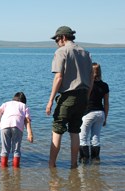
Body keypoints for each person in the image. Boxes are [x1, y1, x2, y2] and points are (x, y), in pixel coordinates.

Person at [46, 26, 93, 168]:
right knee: (75, 131)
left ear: (63, 38)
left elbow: (58, 77)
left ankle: (51, 164)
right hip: (83, 96)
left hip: (68, 96)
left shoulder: (62, 51)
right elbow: (91, 77)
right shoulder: (85, 53)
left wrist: (50, 102)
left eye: (57, 39)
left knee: (57, 129)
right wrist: (87, 96)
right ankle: (73, 164)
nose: (56, 42)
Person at [79, 63, 109, 163]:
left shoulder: (87, 84)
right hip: (100, 113)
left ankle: (84, 159)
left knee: (83, 138)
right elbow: (106, 104)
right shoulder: (104, 85)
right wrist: (106, 118)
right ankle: (95, 159)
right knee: (96, 137)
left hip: (88, 113)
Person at [0, 92, 33, 168]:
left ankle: (3, 169)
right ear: (23, 101)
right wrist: (29, 133)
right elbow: (27, 120)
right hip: (17, 126)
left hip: (5, 126)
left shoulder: (6, 104)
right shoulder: (24, 106)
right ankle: (16, 171)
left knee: (5, 149)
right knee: (16, 150)